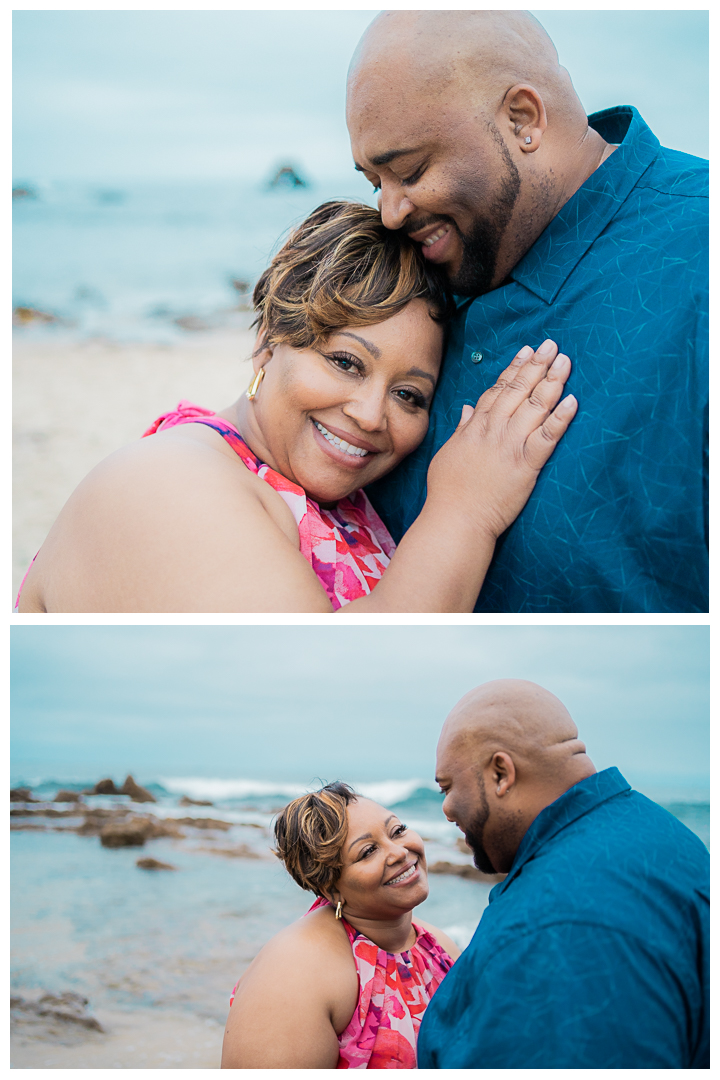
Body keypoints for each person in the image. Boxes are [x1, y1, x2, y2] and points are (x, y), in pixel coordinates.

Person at [16, 201, 576, 613]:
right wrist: (464, 511)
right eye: (346, 362)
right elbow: (346, 669)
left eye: (409, 395)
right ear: (268, 338)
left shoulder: (331, 497)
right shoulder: (165, 480)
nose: (370, 414)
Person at [347, 10, 709, 613]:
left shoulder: (701, 263)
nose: (388, 213)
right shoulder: (414, 258)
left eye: (409, 171)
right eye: (372, 180)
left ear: (523, 119)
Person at [418, 679, 710, 1068]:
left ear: (501, 773)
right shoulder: (657, 831)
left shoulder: (554, 929)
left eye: (447, 788)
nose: (447, 810)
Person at [221, 782, 459, 1068]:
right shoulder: (296, 972)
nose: (398, 851)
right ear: (330, 888)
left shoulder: (437, 946)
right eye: (368, 851)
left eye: (397, 830)